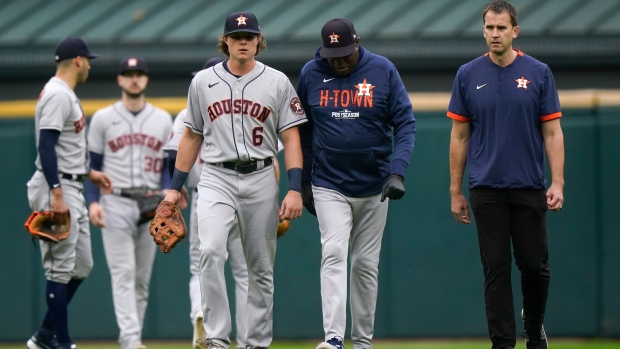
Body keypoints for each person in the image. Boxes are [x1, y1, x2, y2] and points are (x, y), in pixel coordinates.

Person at [162, 11, 307, 349]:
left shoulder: (278, 81)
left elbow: (292, 140)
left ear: (259, 41)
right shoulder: (202, 82)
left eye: (249, 36)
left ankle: (256, 342)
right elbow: (190, 136)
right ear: (225, 40)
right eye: (236, 36)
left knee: (259, 268)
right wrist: (174, 187)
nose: (243, 41)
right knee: (210, 252)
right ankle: (216, 339)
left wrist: (295, 189)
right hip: (215, 176)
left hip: (261, 177)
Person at [447, 1, 564, 349]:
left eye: (501, 28)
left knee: (534, 267)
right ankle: (502, 343)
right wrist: (455, 191)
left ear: (515, 31)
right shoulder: (467, 75)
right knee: (495, 269)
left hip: (529, 185)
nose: (494, 34)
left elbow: (553, 132)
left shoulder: (539, 73)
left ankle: (534, 326)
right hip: (486, 188)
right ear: (483, 30)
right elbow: (459, 136)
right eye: (489, 27)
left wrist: (557, 181)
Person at [297, 18, 416, 349]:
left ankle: (362, 343)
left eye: (345, 54)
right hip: (328, 182)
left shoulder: (382, 70)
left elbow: (405, 123)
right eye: (333, 55)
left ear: (358, 44)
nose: (339, 61)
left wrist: (398, 171)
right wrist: (304, 180)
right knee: (333, 251)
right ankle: (334, 339)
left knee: (364, 264)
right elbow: (302, 130)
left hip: (374, 186)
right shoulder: (310, 73)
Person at [26, 36, 112, 349]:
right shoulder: (59, 95)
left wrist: (89, 173)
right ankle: (60, 343)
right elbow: (45, 147)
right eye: (88, 59)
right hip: (57, 188)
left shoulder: (64, 94)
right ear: (77, 60)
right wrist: (56, 193)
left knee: (82, 264)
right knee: (60, 268)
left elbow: (61, 146)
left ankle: (45, 334)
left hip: (70, 182)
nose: (89, 65)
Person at [86, 57, 174, 349]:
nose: (134, 79)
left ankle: (131, 338)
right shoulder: (102, 118)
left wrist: (166, 192)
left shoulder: (162, 119)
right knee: (123, 272)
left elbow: (166, 165)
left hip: (152, 203)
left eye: (139, 74)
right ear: (120, 80)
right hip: (116, 201)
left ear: (146, 80)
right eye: (128, 74)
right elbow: (93, 166)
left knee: (141, 278)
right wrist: (93, 202)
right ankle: (131, 340)